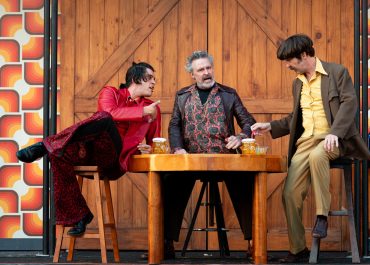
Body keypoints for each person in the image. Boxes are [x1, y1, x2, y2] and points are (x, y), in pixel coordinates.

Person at [251, 34, 370, 263]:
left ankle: (321, 216)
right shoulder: (298, 84)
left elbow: (349, 103)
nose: (287, 66)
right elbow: (295, 118)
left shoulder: (337, 73)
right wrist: (269, 126)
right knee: (289, 195)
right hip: (306, 142)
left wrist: (335, 132)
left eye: (290, 61)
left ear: (304, 55)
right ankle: (298, 249)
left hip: (334, 140)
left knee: (319, 155)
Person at [16, 62, 161, 236]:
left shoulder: (153, 109)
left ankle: (45, 145)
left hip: (115, 160)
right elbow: (109, 112)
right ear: (136, 78)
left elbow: (155, 143)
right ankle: (80, 215)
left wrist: (147, 150)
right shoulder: (111, 93)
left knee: (97, 122)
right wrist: (142, 111)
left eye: (154, 79)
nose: (154, 82)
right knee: (59, 154)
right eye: (150, 78)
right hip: (91, 152)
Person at [165, 50, 256, 258]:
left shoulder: (228, 94)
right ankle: (165, 241)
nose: (206, 72)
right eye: (201, 69)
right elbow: (174, 125)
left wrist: (240, 136)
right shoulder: (182, 96)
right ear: (192, 74)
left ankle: (253, 241)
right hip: (191, 161)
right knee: (169, 182)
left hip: (226, 160)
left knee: (246, 182)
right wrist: (178, 148)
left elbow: (248, 122)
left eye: (208, 68)